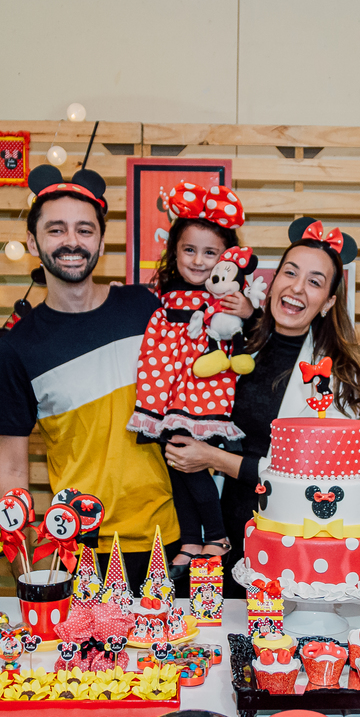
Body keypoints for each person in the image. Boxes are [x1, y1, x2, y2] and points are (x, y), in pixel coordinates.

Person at [0, 164, 180, 585]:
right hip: (75, 546)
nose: (71, 241)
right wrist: (24, 559)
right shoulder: (18, 348)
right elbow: (12, 467)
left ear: (101, 242)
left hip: (166, 537)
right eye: (56, 230)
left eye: (84, 230)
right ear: (32, 244)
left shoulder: (146, 309)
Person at [165, 218, 360, 596]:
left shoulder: (336, 375)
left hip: (281, 539)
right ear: (272, 281)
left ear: (328, 301)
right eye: (289, 273)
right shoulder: (237, 342)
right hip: (212, 530)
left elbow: (316, 482)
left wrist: (210, 457)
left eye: (314, 281)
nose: (296, 287)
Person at [127, 183, 262, 583]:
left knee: (190, 456)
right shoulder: (164, 294)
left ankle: (216, 536)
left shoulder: (222, 294)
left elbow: (248, 328)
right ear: (174, 251)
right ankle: (190, 538)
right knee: (175, 461)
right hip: (167, 387)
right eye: (189, 250)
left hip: (203, 389)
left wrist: (249, 309)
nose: (199, 261)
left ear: (227, 259)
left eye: (210, 253)